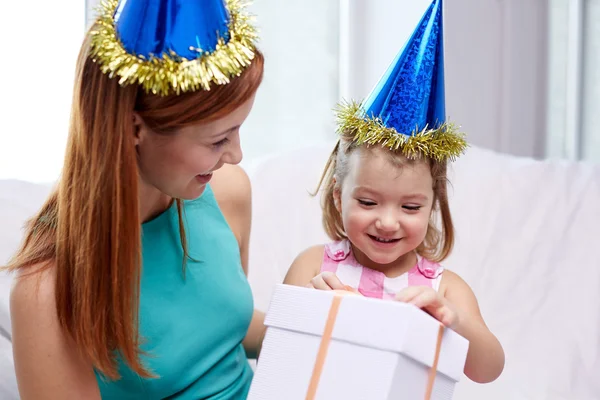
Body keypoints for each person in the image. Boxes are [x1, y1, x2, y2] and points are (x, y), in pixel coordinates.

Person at [5, 0, 266, 398]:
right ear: (134, 129)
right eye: (218, 140)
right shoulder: (47, 289)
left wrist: (333, 322)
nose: (235, 155)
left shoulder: (227, 191)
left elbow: (220, 326)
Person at [284, 0, 505, 384]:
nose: (387, 221)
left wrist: (454, 320)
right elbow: (282, 358)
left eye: (410, 206)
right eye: (367, 202)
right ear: (339, 196)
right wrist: (315, 316)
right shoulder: (313, 267)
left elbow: (489, 370)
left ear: (433, 205)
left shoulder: (445, 289)